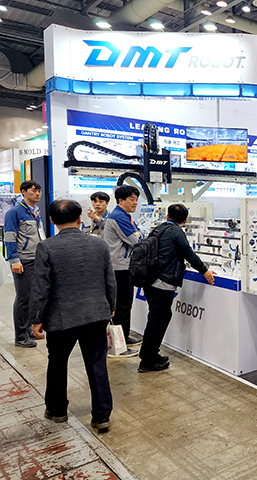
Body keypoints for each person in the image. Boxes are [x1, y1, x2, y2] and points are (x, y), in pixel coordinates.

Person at [29, 200, 116, 433]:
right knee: (97, 364)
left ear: (51, 220)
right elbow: (110, 279)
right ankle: (102, 416)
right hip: (96, 314)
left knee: (57, 363)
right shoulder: (99, 245)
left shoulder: (46, 247)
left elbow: (40, 287)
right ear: (79, 218)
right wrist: (111, 306)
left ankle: (57, 410)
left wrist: (36, 318)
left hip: (61, 317)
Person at [139, 204, 215, 373]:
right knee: (158, 319)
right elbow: (188, 253)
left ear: (167, 216)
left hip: (150, 280)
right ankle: (148, 360)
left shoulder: (159, 229)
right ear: (185, 221)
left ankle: (150, 354)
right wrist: (205, 271)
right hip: (162, 283)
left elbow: (168, 253)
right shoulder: (176, 232)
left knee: (157, 318)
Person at [102, 185, 143, 357]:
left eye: (136, 199)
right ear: (121, 200)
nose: (135, 203)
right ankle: (118, 346)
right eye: (132, 199)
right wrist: (139, 234)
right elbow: (136, 240)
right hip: (120, 268)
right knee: (121, 306)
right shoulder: (119, 217)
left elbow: (139, 234)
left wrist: (139, 233)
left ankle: (124, 337)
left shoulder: (123, 215)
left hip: (121, 266)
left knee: (123, 305)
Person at [4, 180, 45, 348]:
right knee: (23, 298)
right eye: (34, 190)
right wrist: (14, 260)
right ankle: (20, 336)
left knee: (32, 297)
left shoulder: (36, 211)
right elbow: (9, 238)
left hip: (36, 259)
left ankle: (28, 330)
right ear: (23, 192)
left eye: (39, 190)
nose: (37, 193)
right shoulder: (14, 212)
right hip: (23, 261)